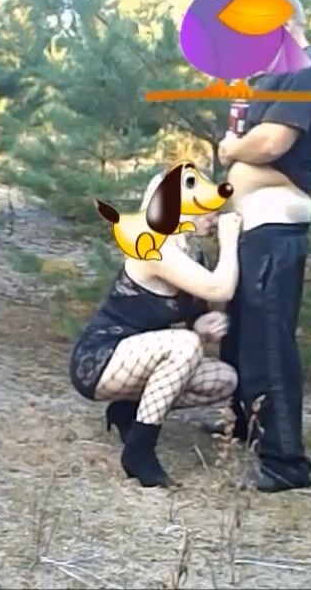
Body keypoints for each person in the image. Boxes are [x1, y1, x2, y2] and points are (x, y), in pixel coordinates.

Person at [211, 0, 311, 493]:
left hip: (276, 221)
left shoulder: (305, 68)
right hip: (253, 221)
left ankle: (286, 462)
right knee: (242, 333)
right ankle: (246, 424)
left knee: (269, 340)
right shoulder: (278, 73)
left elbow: (270, 143)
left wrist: (231, 150)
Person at [68, 172, 245, 488]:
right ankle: (140, 451)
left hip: (140, 360)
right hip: (101, 358)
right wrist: (230, 242)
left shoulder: (192, 253)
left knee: (224, 379)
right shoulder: (154, 246)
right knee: (185, 344)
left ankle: (128, 410)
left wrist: (204, 324)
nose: (214, 216)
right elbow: (220, 288)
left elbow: (212, 303)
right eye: (207, 208)